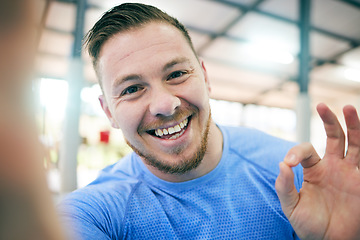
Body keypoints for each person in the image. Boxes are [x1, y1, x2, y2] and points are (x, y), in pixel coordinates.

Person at [59, 3, 360, 239]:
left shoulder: (291, 174)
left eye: (176, 74)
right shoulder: (97, 213)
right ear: (108, 111)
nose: (165, 105)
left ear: (204, 76)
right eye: (132, 89)